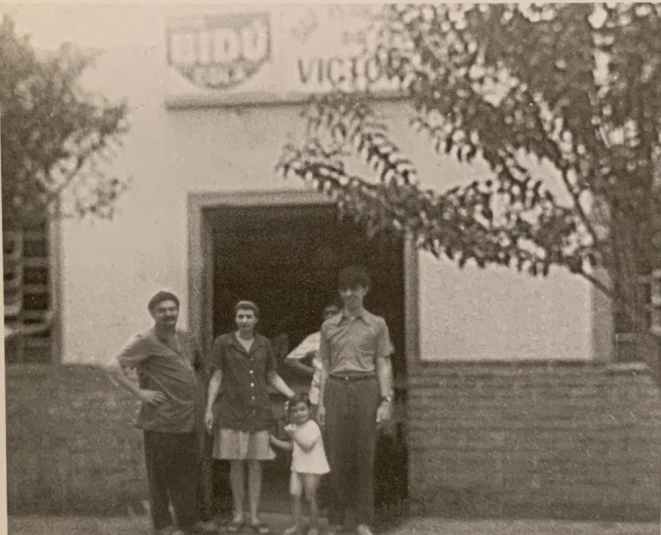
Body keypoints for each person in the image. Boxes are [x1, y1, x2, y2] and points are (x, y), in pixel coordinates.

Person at [107, 291, 217, 535]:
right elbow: (113, 366)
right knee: (161, 475)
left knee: (187, 472)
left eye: (172, 309)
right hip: (161, 419)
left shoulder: (186, 338)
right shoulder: (144, 340)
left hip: (188, 417)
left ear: (178, 311)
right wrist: (140, 393)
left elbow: (198, 367)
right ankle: (163, 525)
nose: (168, 314)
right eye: (162, 310)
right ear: (153, 314)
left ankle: (189, 522)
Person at [204, 300, 295, 535]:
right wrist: (208, 407)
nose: (244, 320)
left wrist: (293, 396)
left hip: (259, 412)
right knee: (236, 464)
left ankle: (254, 515)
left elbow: (272, 376)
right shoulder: (223, 343)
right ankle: (238, 514)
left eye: (248, 316)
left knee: (256, 464)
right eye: (240, 316)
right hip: (231, 411)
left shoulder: (264, 344)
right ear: (235, 319)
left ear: (256, 320)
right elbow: (216, 376)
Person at [317, 266, 394, 535]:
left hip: (366, 389)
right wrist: (322, 404)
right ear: (340, 292)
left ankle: (363, 521)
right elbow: (325, 366)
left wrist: (385, 400)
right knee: (336, 457)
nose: (349, 294)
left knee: (365, 457)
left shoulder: (377, 324)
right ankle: (336, 520)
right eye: (344, 289)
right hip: (337, 389)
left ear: (364, 290)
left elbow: (383, 363)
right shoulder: (328, 326)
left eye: (355, 288)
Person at [270, 393, 330, 535]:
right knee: (294, 493)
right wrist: (273, 441)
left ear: (309, 410)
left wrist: (294, 433)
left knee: (310, 496)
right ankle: (297, 524)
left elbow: (307, 446)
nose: (298, 413)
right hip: (298, 465)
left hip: (313, 467)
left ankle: (313, 526)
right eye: (294, 411)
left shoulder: (313, 426)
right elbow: (292, 446)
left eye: (302, 409)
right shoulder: (295, 427)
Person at [284, 301, 342, 419]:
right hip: (318, 393)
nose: (330, 316)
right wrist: (312, 371)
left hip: (343, 390)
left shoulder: (351, 336)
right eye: (327, 313)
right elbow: (290, 359)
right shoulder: (315, 338)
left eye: (334, 313)